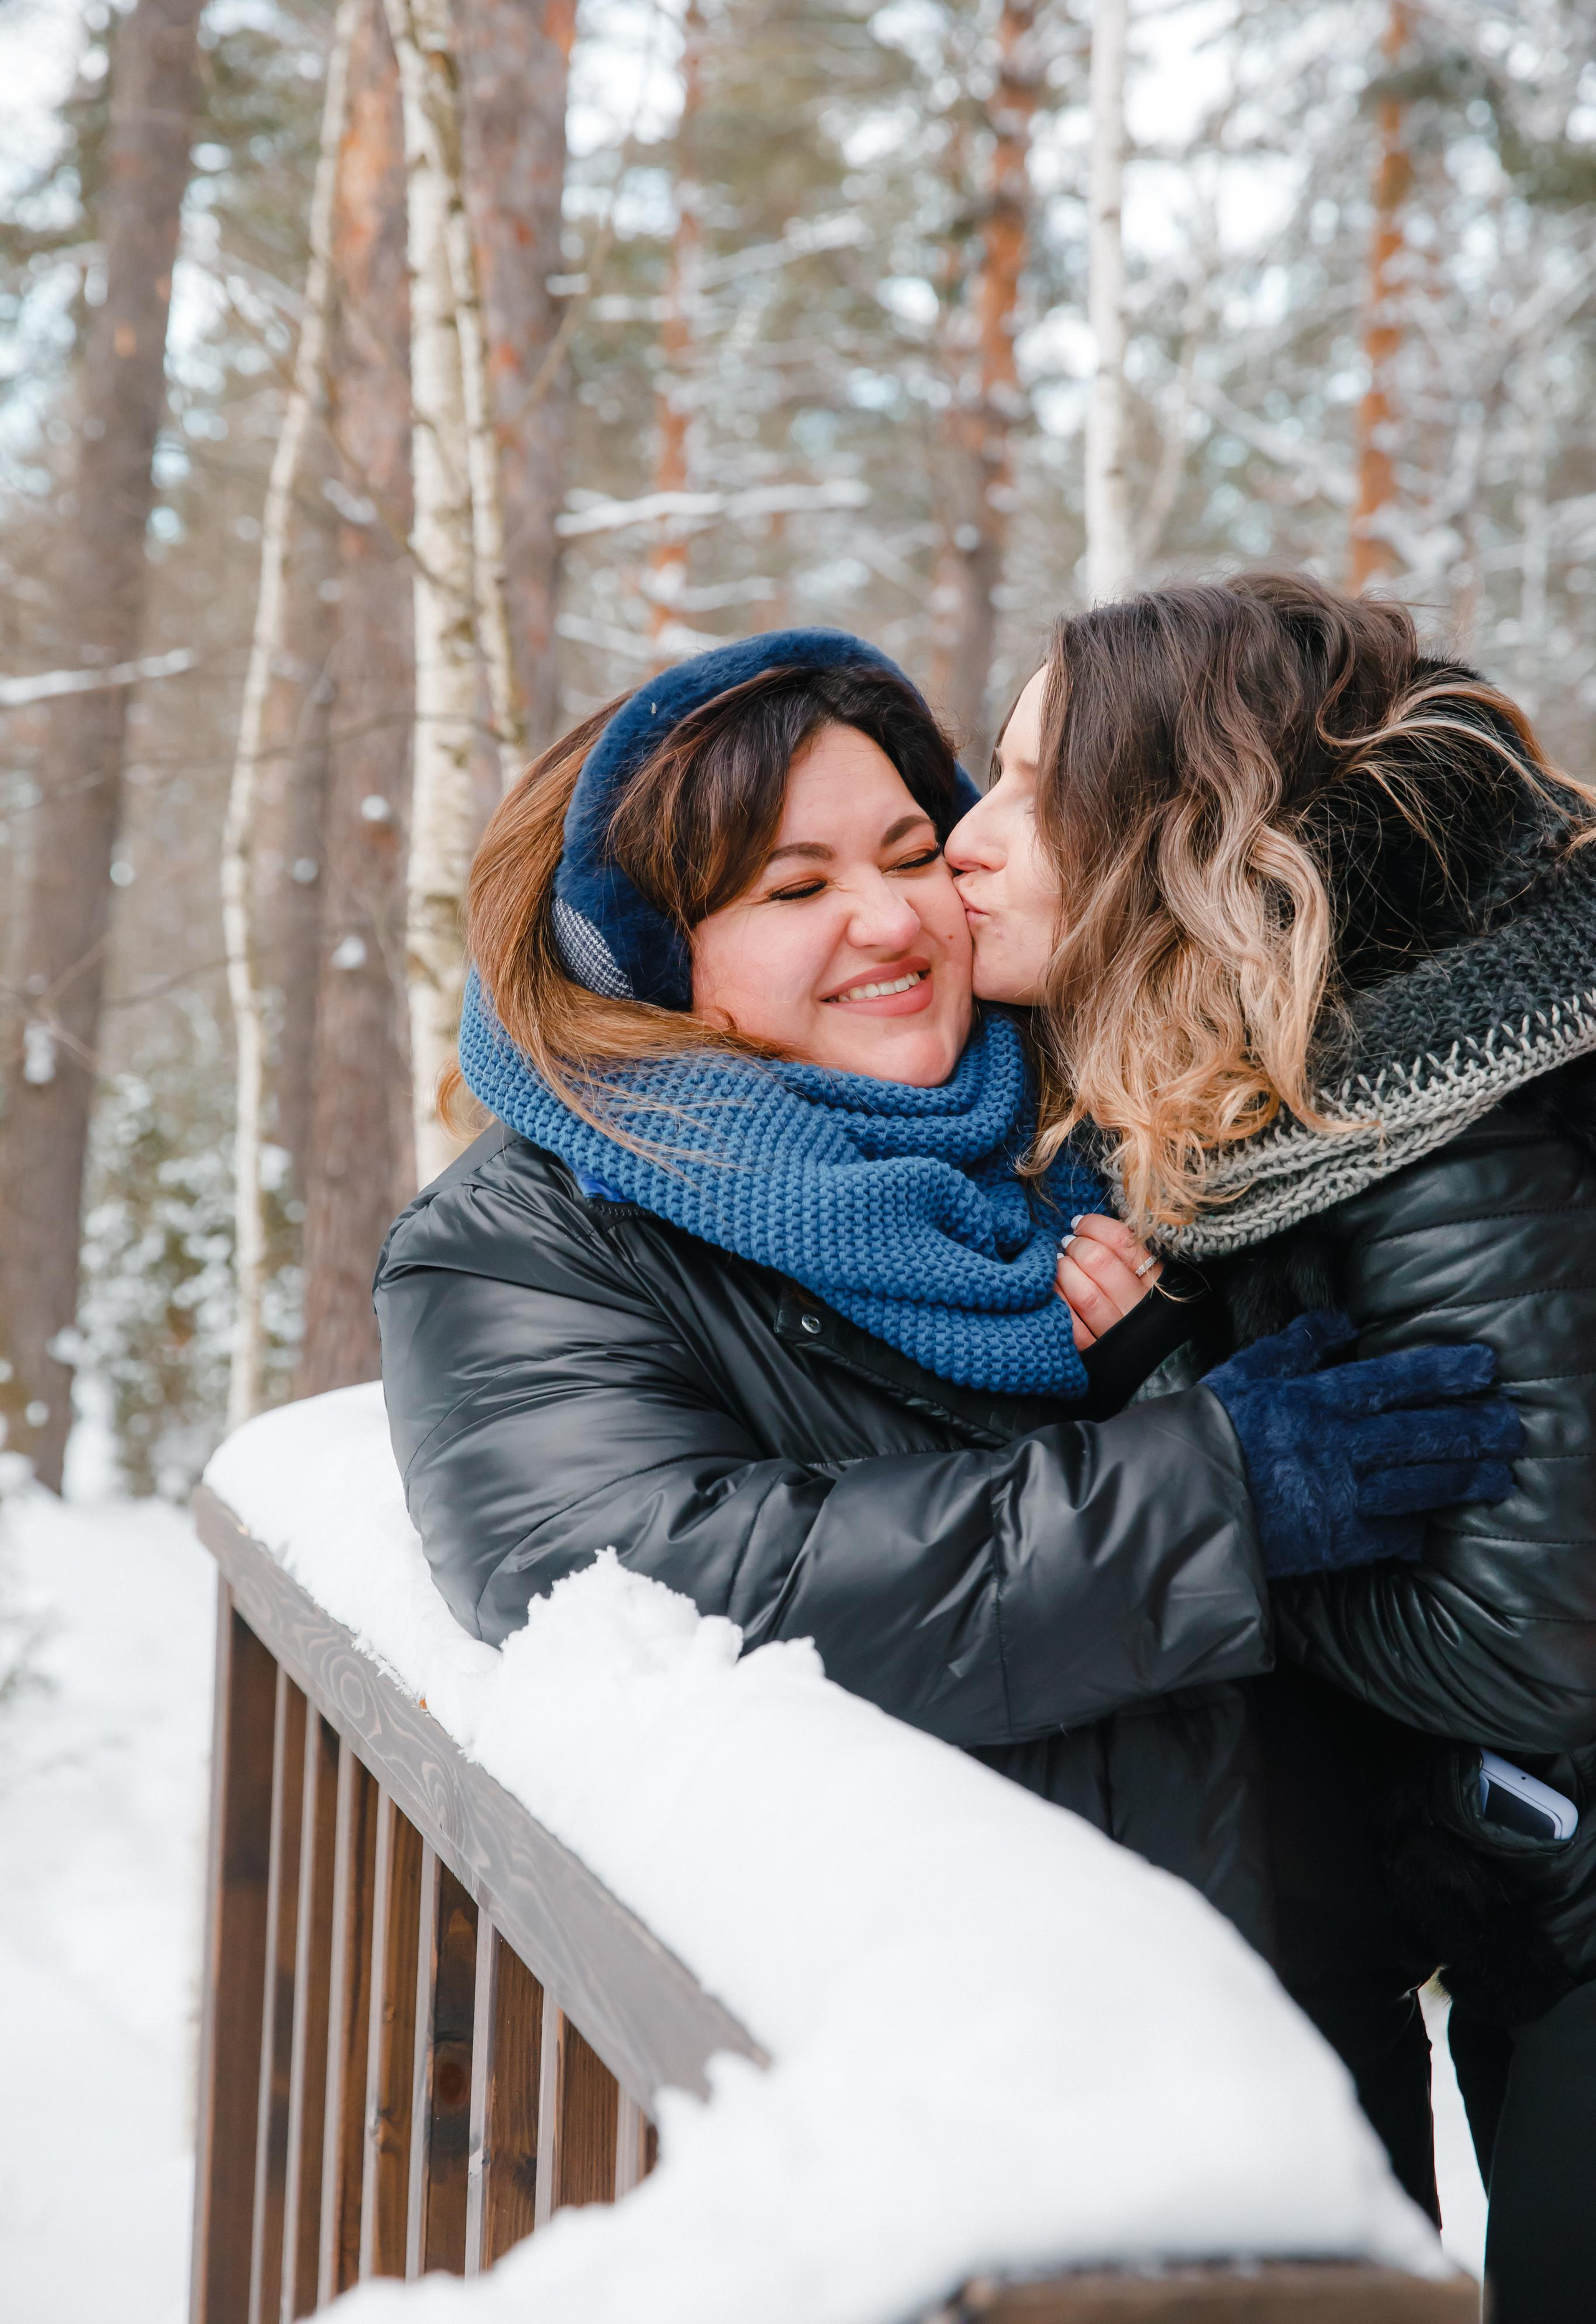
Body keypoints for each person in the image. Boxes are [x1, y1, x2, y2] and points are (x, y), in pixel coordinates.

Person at [377, 625, 1517, 1965]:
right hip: (915, 2029)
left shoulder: (1109, 1106)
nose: (892, 919)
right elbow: (637, 1583)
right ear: (639, 955)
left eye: (912, 852)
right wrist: (1210, 1494)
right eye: (793, 888)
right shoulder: (522, 1245)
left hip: (1278, 1986)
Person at [945, 574, 1596, 2323]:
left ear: (1177, 835)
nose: (964, 841)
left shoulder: (1446, 1129)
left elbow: (1540, 1647)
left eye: (1027, 789)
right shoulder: (1299, 1096)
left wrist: (1211, 1484)